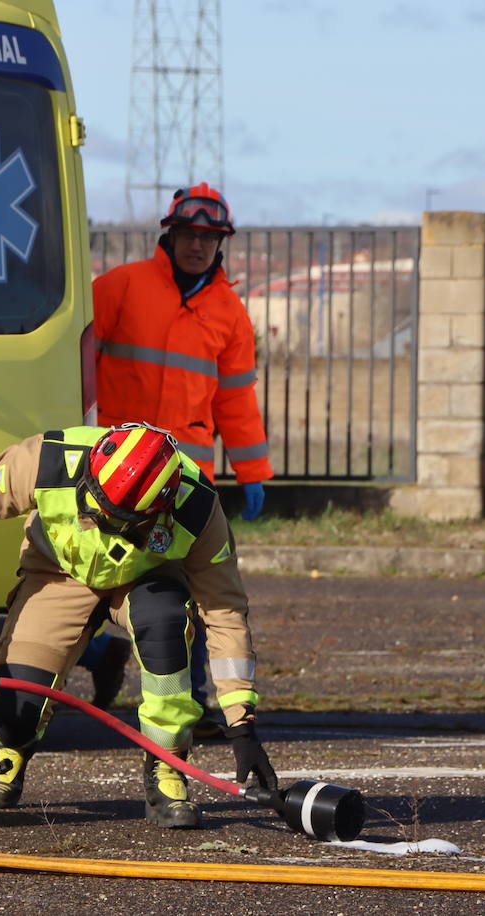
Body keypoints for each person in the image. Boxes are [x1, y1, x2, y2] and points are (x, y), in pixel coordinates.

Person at [0, 423, 277, 828]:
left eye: (111, 518)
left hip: (144, 582)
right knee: (16, 704)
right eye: (92, 503)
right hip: (57, 574)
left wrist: (241, 723)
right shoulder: (50, 460)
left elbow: (225, 611)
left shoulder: (196, 508)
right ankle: (11, 750)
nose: (93, 516)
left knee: (166, 623)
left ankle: (167, 767)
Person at [82, 182, 276, 719]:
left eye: (209, 238)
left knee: (185, 589)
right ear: (169, 235)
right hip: (114, 469)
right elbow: (76, 358)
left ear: (222, 245)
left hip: (185, 477)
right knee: (91, 578)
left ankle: (194, 700)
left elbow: (236, 399)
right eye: (189, 234)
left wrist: (252, 470)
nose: (198, 245)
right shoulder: (122, 286)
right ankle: (100, 652)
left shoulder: (230, 312)